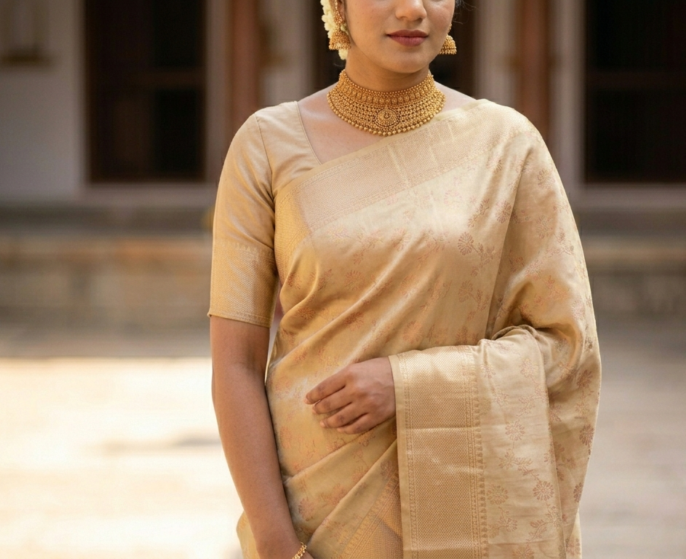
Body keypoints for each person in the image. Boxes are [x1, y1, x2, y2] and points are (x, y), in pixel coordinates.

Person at [209, 1, 603, 557]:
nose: (412, 9)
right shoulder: (267, 144)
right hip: (312, 507)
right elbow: (235, 364)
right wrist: (276, 543)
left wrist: (410, 385)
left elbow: (567, 348)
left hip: (463, 498)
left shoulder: (505, 145)